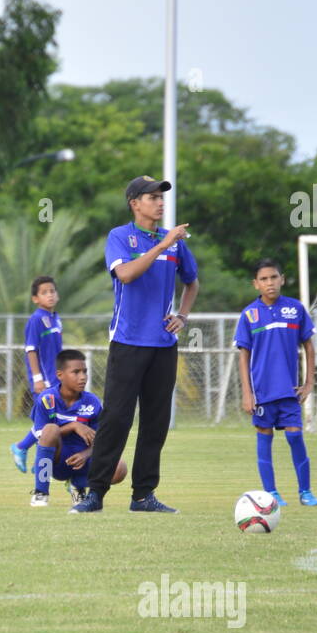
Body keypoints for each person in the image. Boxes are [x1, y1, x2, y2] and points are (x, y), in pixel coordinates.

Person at [71, 176, 198, 515]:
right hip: (127, 342)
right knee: (116, 418)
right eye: (152, 197)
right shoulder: (119, 236)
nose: (159, 202)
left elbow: (192, 282)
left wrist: (182, 317)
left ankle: (143, 495)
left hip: (163, 345)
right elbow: (126, 274)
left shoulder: (175, 243)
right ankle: (94, 493)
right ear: (134, 203)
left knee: (156, 421)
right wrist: (161, 244)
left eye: (161, 197)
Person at [235, 258, 317, 507]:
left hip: (288, 391)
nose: (269, 283)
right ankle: (271, 493)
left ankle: (305, 492)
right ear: (256, 284)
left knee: (295, 437)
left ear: (282, 279)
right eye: (264, 279)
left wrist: (308, 383)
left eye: (274, 277)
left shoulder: (295, 309)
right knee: (265, 438)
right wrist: (247, 393)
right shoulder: (249, 315)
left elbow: (309, 346)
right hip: (262, 392)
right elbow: (243, 356)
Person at [29, 349, 126, 507]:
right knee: (51, 429)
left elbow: (101, 440)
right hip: (57, 462)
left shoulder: (93, 402)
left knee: (120, 468)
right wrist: (74, 426)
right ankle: (41, 493)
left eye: (85, 372)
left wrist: (85, 454)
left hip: (84, 461)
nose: (83, 377)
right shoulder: (47, 399)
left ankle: (78, 486)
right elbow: (42, 436)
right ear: (60, 375)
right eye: (76, 372)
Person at [10, 275, 63, 473]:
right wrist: (37, 378)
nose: (50, 295)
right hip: (46, 379)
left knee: (52, 421)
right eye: (44, 292)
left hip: (58, 378)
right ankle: (36, 459)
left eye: (52, 291)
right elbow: (31, 349)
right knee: (50, 422)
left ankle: (24, 449)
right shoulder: (36, 320)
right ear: (35, 299)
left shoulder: (55, 319)